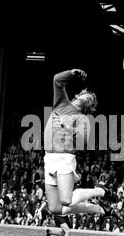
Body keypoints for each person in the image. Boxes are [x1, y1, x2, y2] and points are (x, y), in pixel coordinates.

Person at [43, 69, 119, 220]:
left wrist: (67, 126)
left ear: (89, 107)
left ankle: (100, 191)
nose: (90, 98)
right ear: (79, 94)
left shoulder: (83, 119)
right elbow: (57, 80)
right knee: (55, 209)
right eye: (89, 95)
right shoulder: (61, 103)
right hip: (49, 158)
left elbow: (83, 142)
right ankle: (98, 208)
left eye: (92, 100)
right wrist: (72, 73)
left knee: (66, 200)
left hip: (64, 158)